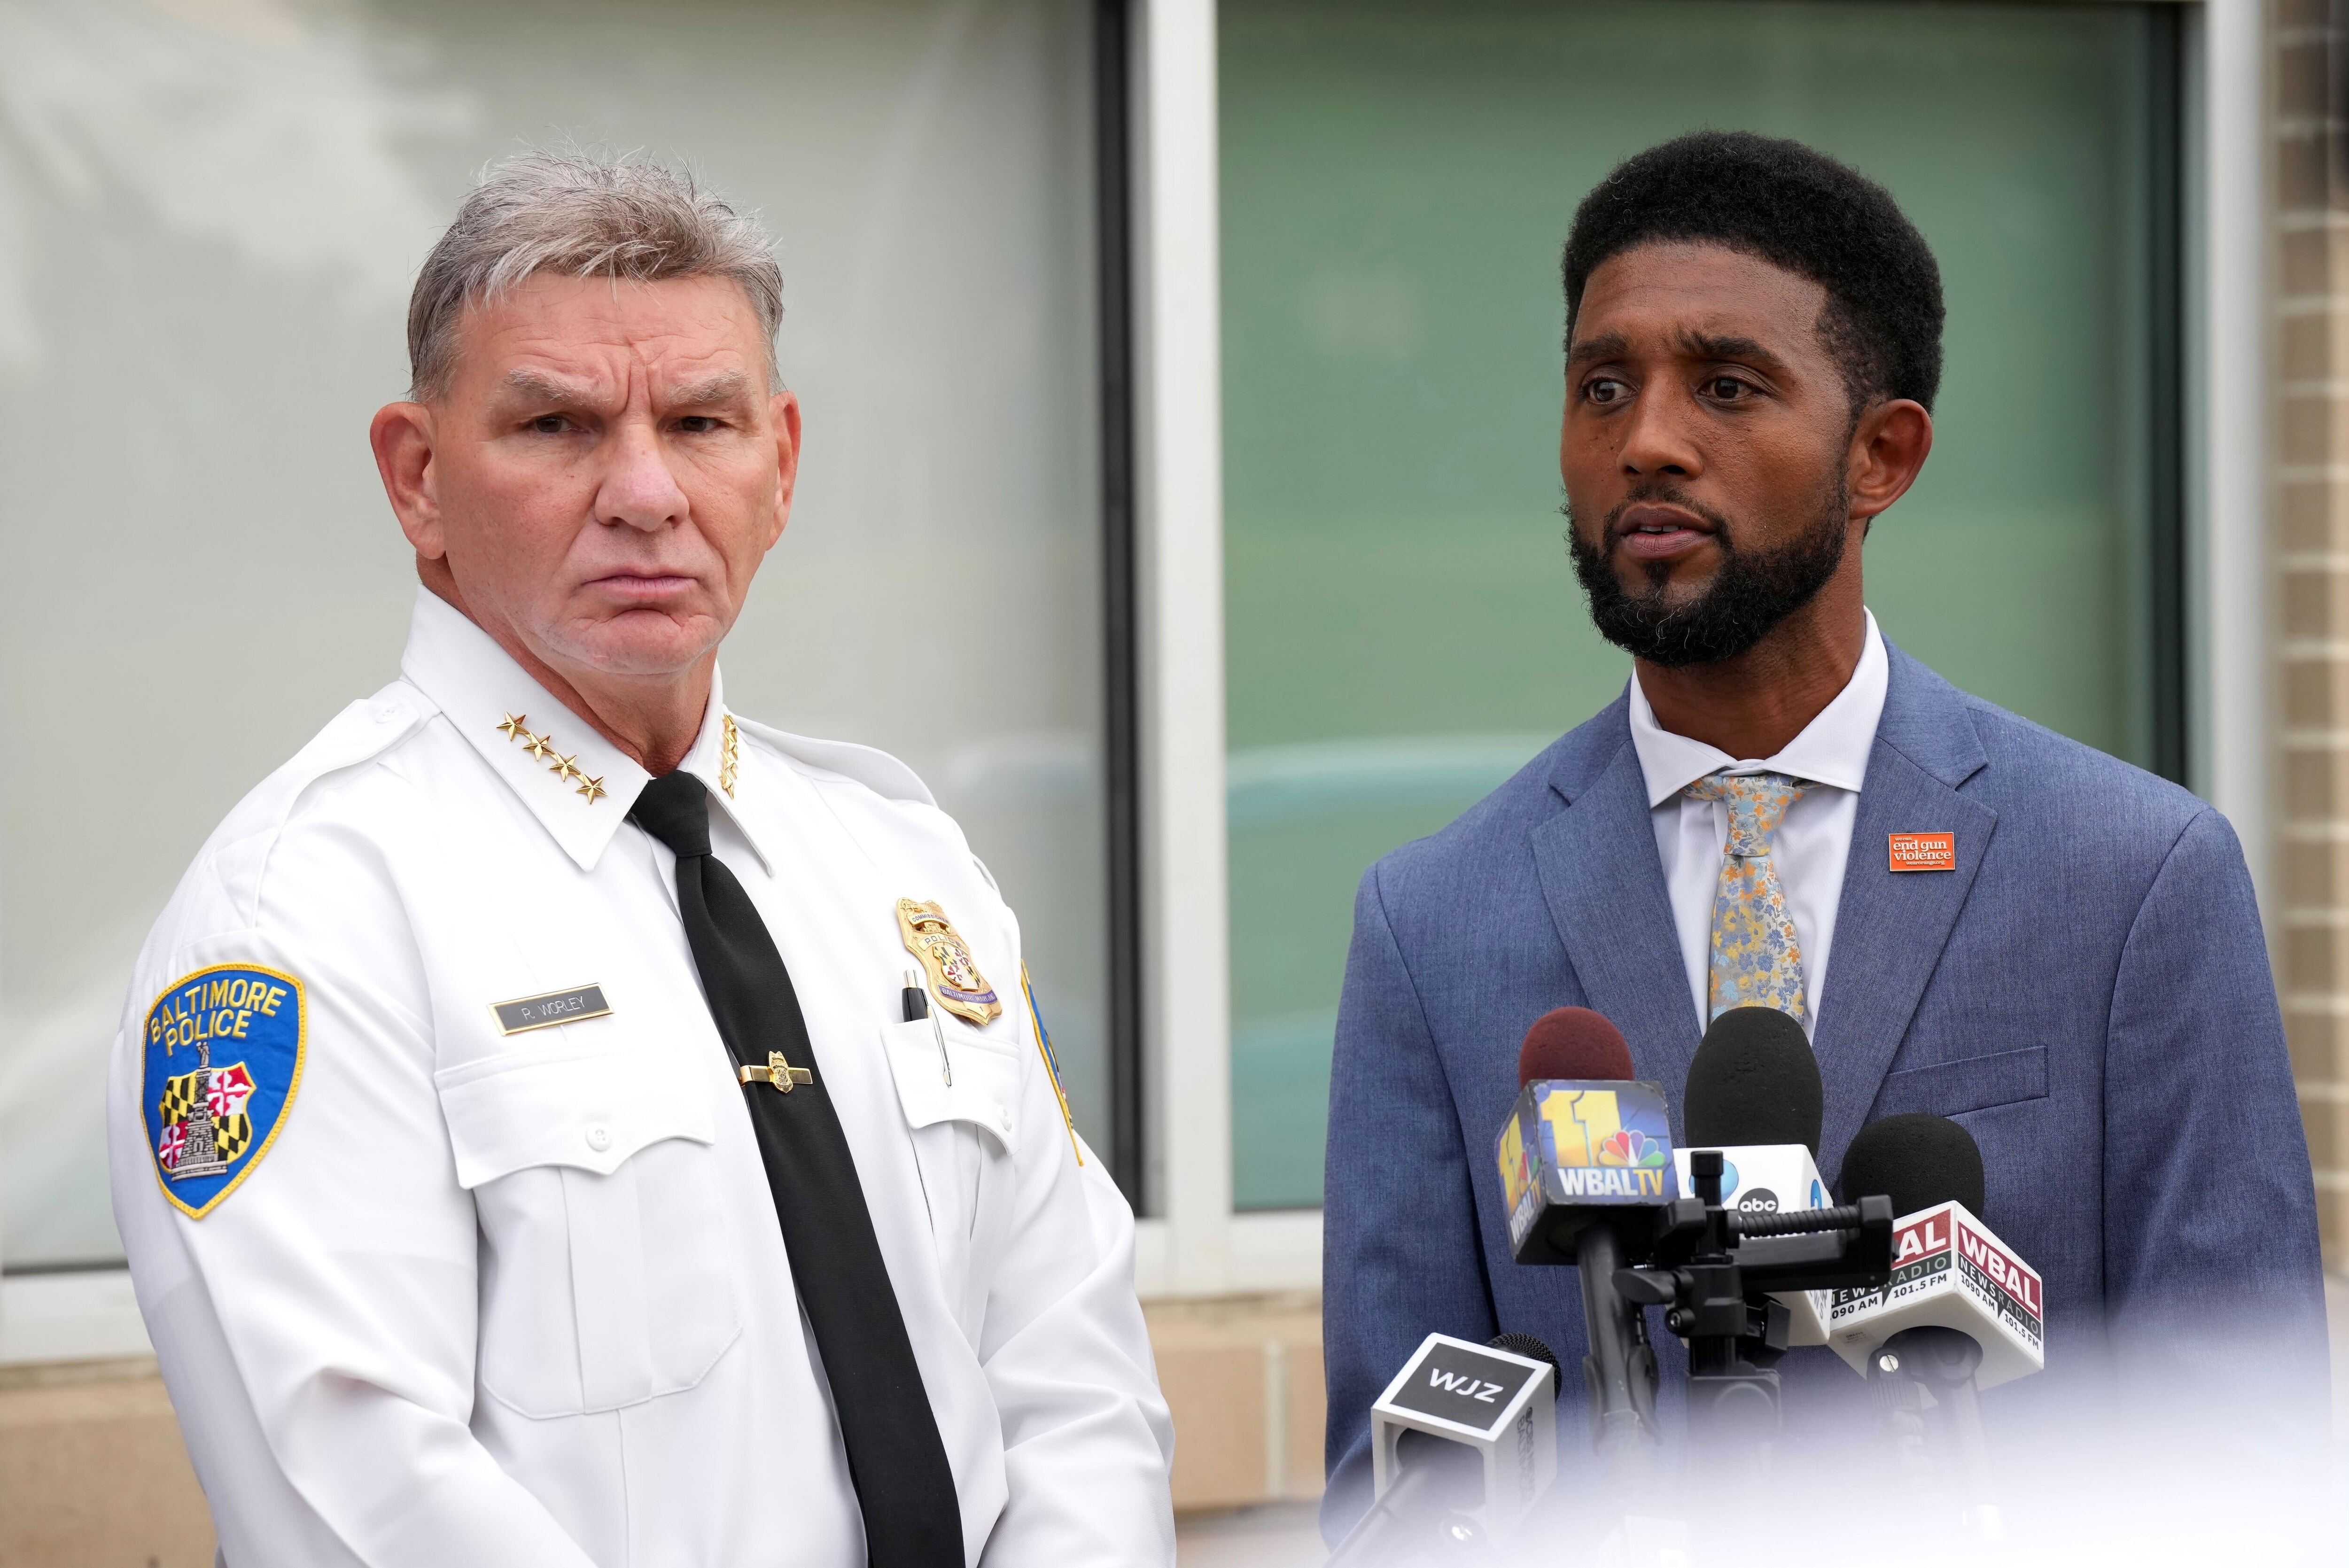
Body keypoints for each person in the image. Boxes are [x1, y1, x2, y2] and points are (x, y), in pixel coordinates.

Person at [109, 153, 1175, 1568]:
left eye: (700, 421)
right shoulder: (304, 914)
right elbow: (366, 1497)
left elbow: (1075, 1376)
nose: (645, 491)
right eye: (557, 425)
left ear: (780, 462)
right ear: (418, 478)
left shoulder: (904, 870)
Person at [1320, 132, 2327, 1533]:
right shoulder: (1434, 924)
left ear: (1882, 455)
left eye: (1726, 385)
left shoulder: (2134, 878)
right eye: (1602, 385)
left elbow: (2248, 1446)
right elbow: (1390, 1497)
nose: (1647, 439)